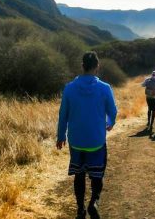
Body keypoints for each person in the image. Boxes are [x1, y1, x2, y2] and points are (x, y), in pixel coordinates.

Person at [57, 51, 118, 219]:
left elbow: (63, 114)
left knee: (79, 175)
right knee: (97, 175)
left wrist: (60, 135)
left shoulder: (69, 88)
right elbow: (112, 111)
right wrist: (110, 122)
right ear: (97, 67)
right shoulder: (105, 88)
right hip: (96, 141)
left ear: (82, 66)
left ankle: (80, 209)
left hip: (76, 141)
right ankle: (93, 202)